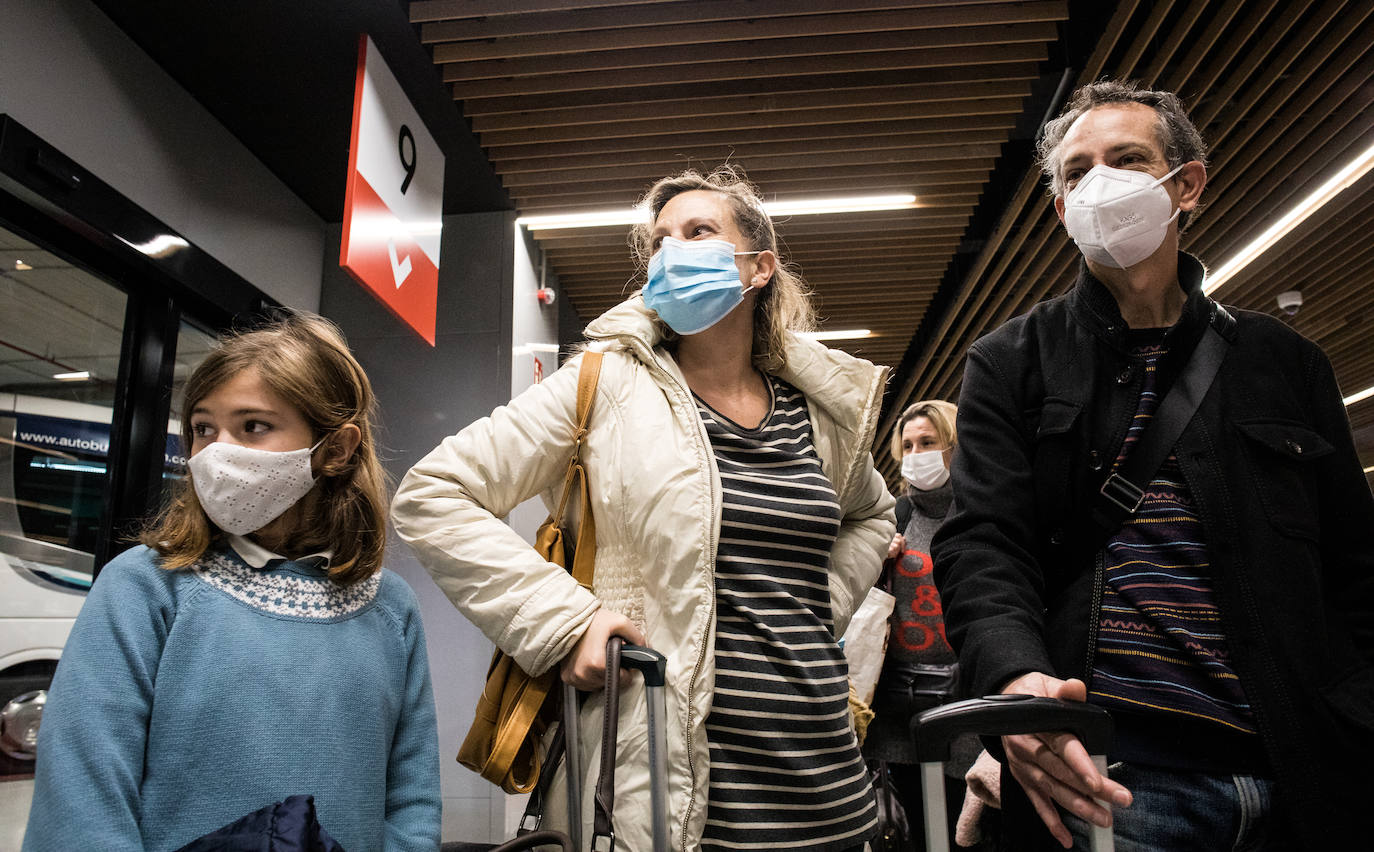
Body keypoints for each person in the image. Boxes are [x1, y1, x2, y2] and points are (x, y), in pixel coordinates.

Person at [391, 165, 896, 852]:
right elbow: (433, 492)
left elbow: (873, 514)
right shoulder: (604, 388)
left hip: (829, 782)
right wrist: (566, 622)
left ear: (759, 268)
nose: (672, 252)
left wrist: (821, 604)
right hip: (677, 786)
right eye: (660, 242)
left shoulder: (819, 414)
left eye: (699, 232)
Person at [931, 78, 1374, 850]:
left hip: (1303, 772)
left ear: (1187, 184)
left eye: (1128, 159)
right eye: (1077, 173)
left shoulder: (1285, 364)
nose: (1100, 182)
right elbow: (983, 546)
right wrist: (1015, 683)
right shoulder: (1010, 362)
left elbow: (1357, 567)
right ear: (1063, 210)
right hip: (1115, 781)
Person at [23, 311, 441, 852]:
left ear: (334, 450)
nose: (217, 452)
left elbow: (412, 800)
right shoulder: (145, 587)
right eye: (203, 428)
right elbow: (81, 796)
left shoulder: (390, 607)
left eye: (253, 426)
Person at [863, 400, 985, 850]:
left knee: (968, 830)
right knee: (914, 828)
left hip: (970, 701)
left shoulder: (981, 513)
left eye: (928, 443)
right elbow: (858, 608)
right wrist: (875, 561)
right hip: (903, 707)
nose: (916, 454)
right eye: (908, 445)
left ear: (955, 446)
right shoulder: (894, 518)